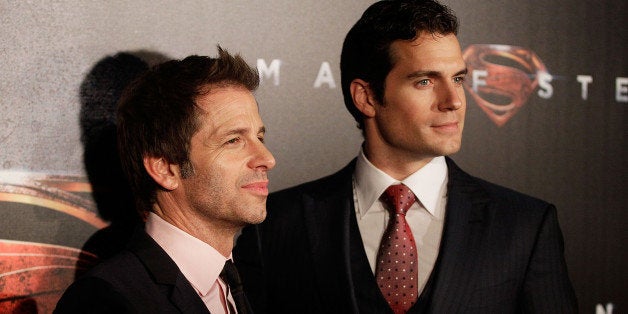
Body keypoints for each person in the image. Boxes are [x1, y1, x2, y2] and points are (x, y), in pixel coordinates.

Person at [233, 1, 578, 313]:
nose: (453, 100)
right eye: (425, 81)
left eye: (458, 78)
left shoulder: (524, 225)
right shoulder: (277, 224)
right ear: (366, 97)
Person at [55, 46, 276, 313]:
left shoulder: (244, 282)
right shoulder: (106, 301)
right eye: (233, 140)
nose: (266, 158)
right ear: (165, 169)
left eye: (259, 138)